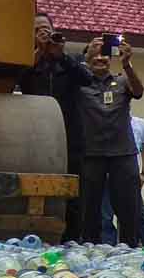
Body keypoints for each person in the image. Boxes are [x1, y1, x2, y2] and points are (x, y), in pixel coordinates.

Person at [19, 13, 92, 241]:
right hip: (36, 135)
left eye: (46, 28)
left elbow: (87, 79)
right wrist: (39, 52)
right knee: (35, 186)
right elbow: (16, 79)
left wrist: (60, 56)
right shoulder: (26, 59)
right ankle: (34, 236)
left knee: (73, 192)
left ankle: (71, 240)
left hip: (70, 136)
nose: (44, 32)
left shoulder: (69, 61)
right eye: (38, 29)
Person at [76, 37, 144, 245]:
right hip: (91, 154)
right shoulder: (78, 82)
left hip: (122, 153)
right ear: (87, 58)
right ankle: (89, 246)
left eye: (104, 54)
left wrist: (127, 64)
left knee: (129, 206)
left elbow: (139, 91)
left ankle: (129, 247)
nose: (100, 58)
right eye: (94, 54)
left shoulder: (122, 80)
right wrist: (85, 58)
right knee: (89, 206)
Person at [103, 113, 144, 247]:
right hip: (107, 176)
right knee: (105, 217)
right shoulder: (102, 122)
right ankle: (107, 248)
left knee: (139, 216)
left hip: (130, 178)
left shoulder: (141, 123)